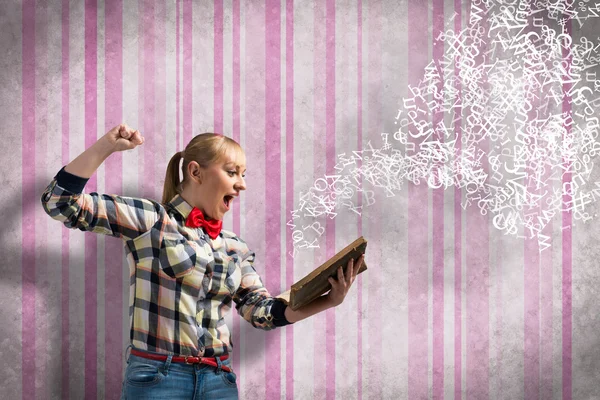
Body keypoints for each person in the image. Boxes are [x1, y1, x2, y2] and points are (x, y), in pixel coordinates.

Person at [41, 124, 364, 399]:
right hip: (157, 379)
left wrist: (326, 300)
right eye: (232, 172)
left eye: (244, 174)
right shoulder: (152, 220)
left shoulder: (234, 247)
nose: (242, 184)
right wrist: (107, 146)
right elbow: (61, 203)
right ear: (195, 171)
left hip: (218, 380)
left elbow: (262, 312)